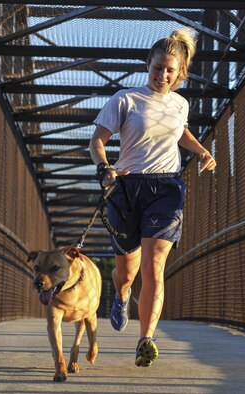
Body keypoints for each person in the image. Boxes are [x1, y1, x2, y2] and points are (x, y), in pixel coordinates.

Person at [88, 28, 216, 367]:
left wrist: (202, 151)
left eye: (170, 70)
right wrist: (104, 168)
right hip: (127, 188)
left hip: (167, 189)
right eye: (158, 67)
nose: (162, 75)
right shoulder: (125, 100)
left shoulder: (180, 103)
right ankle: (121, 294)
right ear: (149, 64)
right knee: (127, 273)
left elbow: (180, 131)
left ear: (179, 73)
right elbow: (97, 141)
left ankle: (146, 339)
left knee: (154, 267)